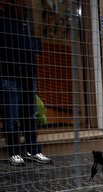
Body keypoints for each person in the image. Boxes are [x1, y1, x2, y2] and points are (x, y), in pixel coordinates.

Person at [0, 2, 50, 166]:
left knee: (30, 115)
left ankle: (33, 150)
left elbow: (36, 48)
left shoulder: (28, 25)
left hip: (28, 77)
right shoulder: (4, 22)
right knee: (12, 117)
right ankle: (14, 152)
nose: (27, 10)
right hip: (10, 76)